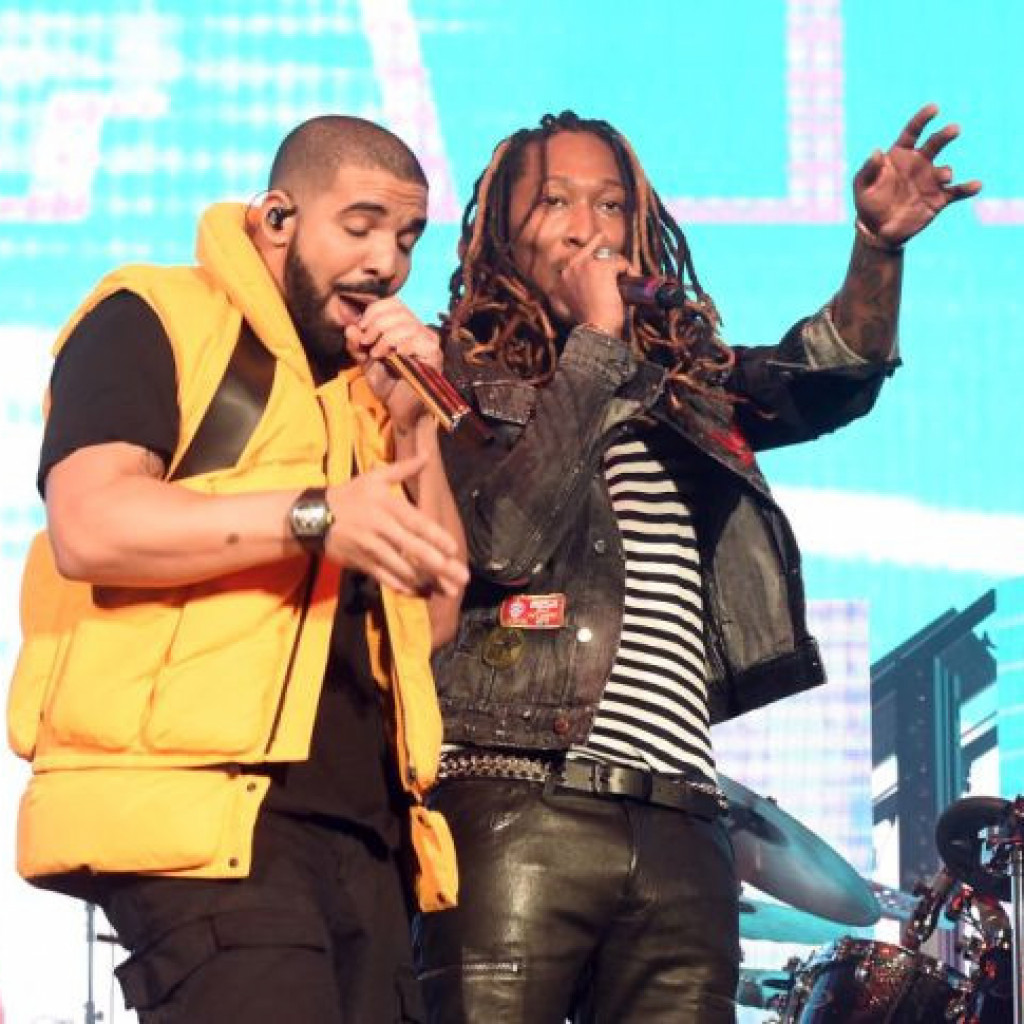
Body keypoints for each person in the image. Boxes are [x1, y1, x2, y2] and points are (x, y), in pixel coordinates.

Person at [412, 105, 981, 1022]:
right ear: (503, 236)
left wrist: (877, 249)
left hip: (684, 820)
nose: (588, 226)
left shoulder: (687, 393)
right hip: (516, 804)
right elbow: (504, 541)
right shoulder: (449, 378)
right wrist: (596, 350)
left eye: (609, 204)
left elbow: (825, 375)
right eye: (555, 201)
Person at [7, 115, 469, 1024]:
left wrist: (413, 423)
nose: (386, 263)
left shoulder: (366, 395)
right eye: (361, 225)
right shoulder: (155, 315)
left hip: (367, 841)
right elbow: (91, 525)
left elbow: (434, 616)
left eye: (408, 238)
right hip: (209, 822)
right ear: (277, 219)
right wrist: (316, 516)